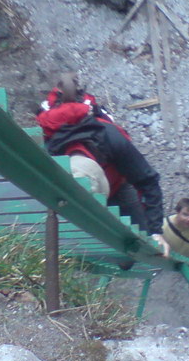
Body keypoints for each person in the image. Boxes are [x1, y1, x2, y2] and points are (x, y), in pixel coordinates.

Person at [36, 75, 169, 256]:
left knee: (141, 245)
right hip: (73, 195)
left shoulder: (110, 138)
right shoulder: (48, 149)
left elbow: (147, 180)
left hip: (117, 186)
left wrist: (155, 231)